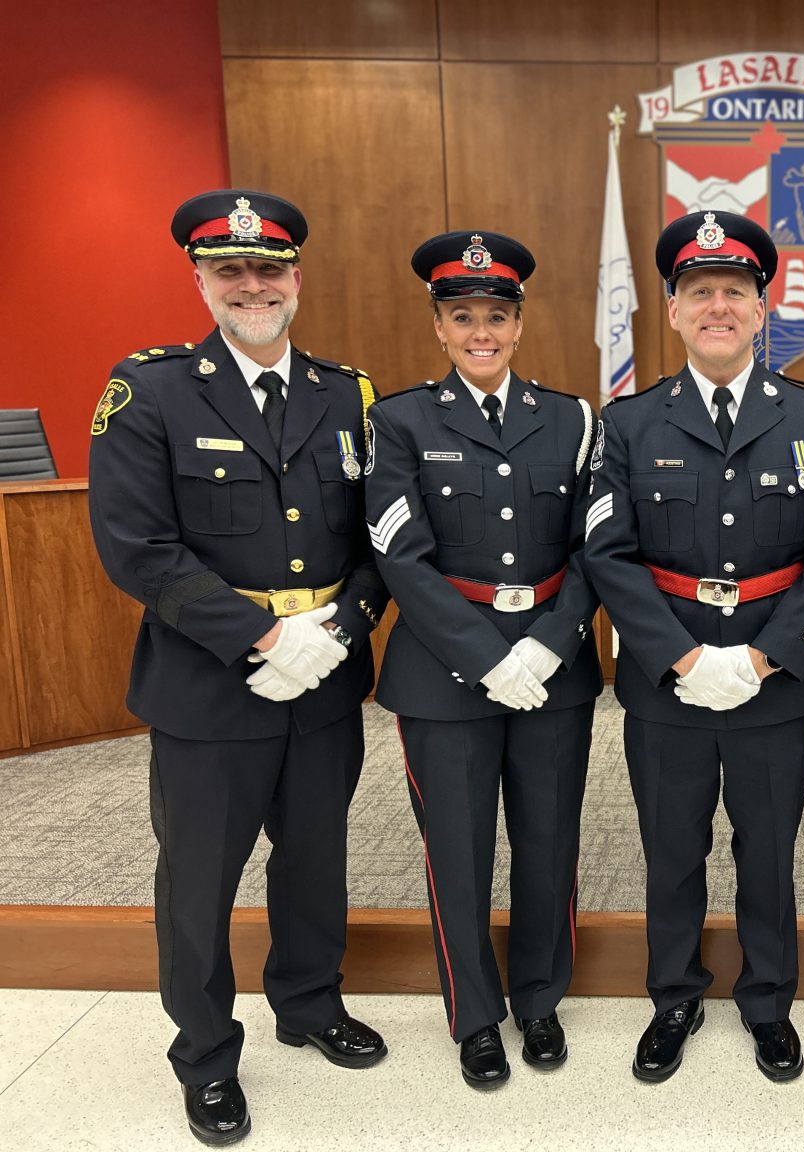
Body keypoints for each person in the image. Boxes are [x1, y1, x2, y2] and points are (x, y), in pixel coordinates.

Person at [88, 189, 390, 1146]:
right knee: (200, 877)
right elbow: (137, 546)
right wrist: (263, 639)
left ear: (296, 278)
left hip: (326, 679)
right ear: (202, 279)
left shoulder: (348, 394)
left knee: (314, 859)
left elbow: (382, 537)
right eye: (231, 270)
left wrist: (342, 628)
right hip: (211, 684)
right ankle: (207, 1053)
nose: (253, 285)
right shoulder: (152, 389)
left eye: (269, 269)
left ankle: (307, 1003)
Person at [584, 210, 804, 1084]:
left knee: (768, 846)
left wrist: (768, 655)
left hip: (776, 678)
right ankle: (674, 996)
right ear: (671, 310)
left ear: (761, 307)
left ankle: (768, 1000)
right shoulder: (627, 424)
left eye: (734, 292)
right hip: (668, 678)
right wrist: (681, 656)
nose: (717, 306)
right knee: (672, 847)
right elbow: (609, 552)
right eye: (698, 292)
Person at [363, 231, 602, 1089]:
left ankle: (539, 1000)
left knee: (549, 841)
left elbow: (595, 550)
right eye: (462, 316)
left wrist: (545, 643)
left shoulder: (573, 418)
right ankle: (475, 1015)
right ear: (439, 325)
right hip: (443, 673)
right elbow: (400, 555)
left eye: (495, 316)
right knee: (456, 852)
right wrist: (481, 657)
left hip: (553, 666)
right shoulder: (398, 420)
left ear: (519, 322)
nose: (481, 332)